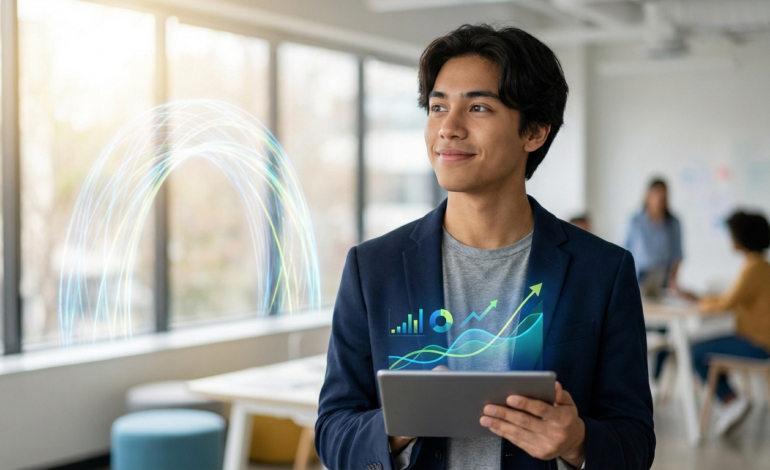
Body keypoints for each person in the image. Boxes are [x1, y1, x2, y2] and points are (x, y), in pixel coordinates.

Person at [315, 24, 654, 470]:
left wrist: (577, 441)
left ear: (533, 131)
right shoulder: (372, 267)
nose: (448, 129)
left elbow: (634, 439)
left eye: (477, 107)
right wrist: (397, 426)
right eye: (438, 107)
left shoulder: (603, 271)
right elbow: (333, 429)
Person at [691, 211, 770, 435]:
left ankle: (730, 400)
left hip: (758, 343)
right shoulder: (761, 266)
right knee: (705, 346)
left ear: (742, 238)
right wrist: (700, 299)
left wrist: (698, 302)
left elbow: (727, 302)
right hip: (757, 338)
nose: (730, 239)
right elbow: (730, 298)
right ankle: (731, 399)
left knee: (694, 350)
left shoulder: (753, 268)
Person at [625, 178, 685, 296]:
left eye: (663, 198)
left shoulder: (673, 223)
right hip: (638, 278)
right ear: (648, 196)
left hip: (663, 278)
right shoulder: (635, 221)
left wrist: (672, 280)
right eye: (657, 196)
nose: (660, 202)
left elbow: (677, 254)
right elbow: (626, 250)